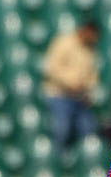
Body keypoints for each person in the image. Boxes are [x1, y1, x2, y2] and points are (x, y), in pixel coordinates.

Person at [43, 21, 100, 152]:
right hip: (60, 94)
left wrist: (90, 90)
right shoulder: (64, 43)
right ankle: (59, 165)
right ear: (86, 31)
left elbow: (92, 74)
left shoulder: (90, 49)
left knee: (89, 131)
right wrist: (71, 83)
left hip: (81, 97)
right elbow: (52, 68)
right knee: (62, 130)